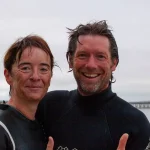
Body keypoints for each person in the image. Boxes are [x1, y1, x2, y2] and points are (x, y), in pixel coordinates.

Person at [36, 20, 150, 150]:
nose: (91, 65)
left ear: (114, 63)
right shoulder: (49, 106)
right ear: (70, 60)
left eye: (100, 56)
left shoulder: (136, 124)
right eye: (83, 55)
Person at [0, 35, 54, 150]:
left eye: (43, 69)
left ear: (50, 76)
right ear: (8, 75)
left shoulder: (43, 127)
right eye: (25, 68)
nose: (35, 77)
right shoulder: (2, 128)